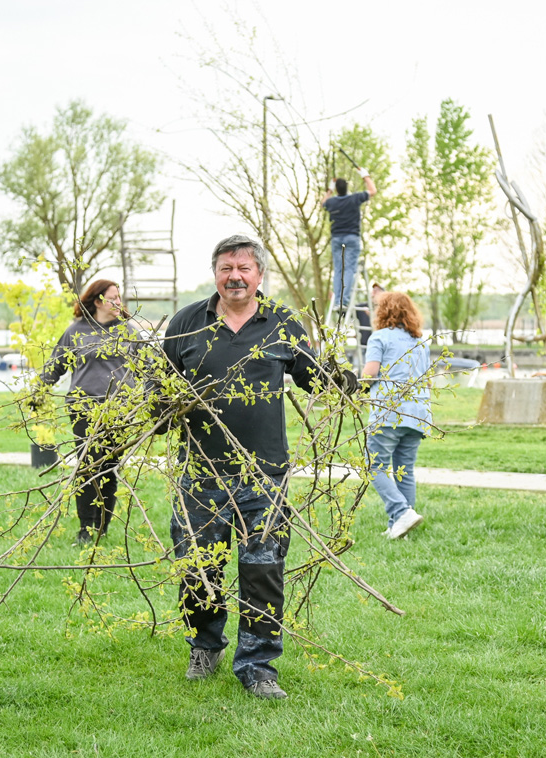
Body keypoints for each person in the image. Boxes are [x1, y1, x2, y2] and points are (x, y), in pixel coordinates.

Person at [161, 234, 348, 700]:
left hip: (264, 476)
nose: (235, 276)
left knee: (262, 570)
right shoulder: (187, 323)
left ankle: (258, 665)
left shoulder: (281, 322)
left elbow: (312, 376)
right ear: (215, 273)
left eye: (244, 268)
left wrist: (345, 382)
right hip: (201, 473)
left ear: (259, 275)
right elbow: (158, 386)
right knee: (197, 566)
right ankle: (205, 644)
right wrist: (158, 406)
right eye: (227, 267)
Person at [40, 279, 136, 540]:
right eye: (112, 297)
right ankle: (85, 527)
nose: (118, 302)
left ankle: (102, 526)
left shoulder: (128, 331)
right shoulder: (77, 331)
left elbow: (149, 366)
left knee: (109, 467)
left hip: (120, 410)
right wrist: (39, 390)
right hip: (83, 408)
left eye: (119, 297)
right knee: (87, 466)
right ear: (97, 301)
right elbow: (56, 364)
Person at [362, 291, 432, 539]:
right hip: (418, 414)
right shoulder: (421, 342)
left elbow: (370, 373)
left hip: (389, 413)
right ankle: (399, 525)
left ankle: (401, 511)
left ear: (384, 312)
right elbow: (428, 380)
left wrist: (357, 389)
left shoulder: (379, 338)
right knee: (405, 469)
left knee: (373, 465)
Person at [321, 171, 377, 310]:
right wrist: (365, 176)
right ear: (347, 187)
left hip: (336, 239)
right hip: (351, 238)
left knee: (339, 270)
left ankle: (337, 301)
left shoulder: (332, 202)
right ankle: (343, 301)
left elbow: (323, 203)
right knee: (349, 269)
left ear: (337, 190)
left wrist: (329, 189)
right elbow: (373, 191)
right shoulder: (354, 198)